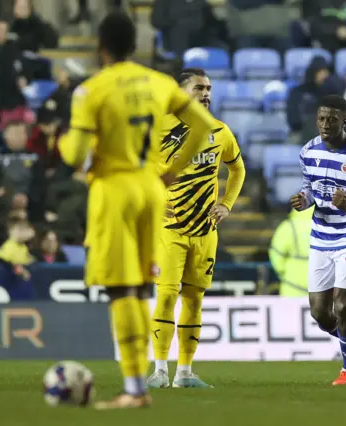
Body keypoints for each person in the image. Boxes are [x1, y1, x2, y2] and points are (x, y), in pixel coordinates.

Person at [58, 11, 218, 410]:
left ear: (101, 47)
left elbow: (74, 156)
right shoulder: (160, 83)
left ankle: (135, 388)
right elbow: (202, 127)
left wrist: (65, 143)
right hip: (153, 190)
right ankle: (147, 379)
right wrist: (172, 172)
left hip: (115, 190)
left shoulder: (91, 90)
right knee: (143, 287)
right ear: (136, 45)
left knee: (122, 290)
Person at [147, 68, 246, 389]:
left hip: (205, 231)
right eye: (199, 87)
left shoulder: (219, 131)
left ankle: (184, 373)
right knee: (166, 296)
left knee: (194, 300)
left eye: (209, 88)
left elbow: (238, 169)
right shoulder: (158, 127)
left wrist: (227, 204)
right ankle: (159, 371)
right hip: (169, 228)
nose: (206, 93)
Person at [290, 94, 346, 386]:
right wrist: (304, 200)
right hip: (322, 232)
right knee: (320, 314)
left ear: (345, 121)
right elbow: (310, 188)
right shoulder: (307, 151)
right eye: (322, 118)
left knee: (341, 306)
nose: (326, 124)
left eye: (333, 119)